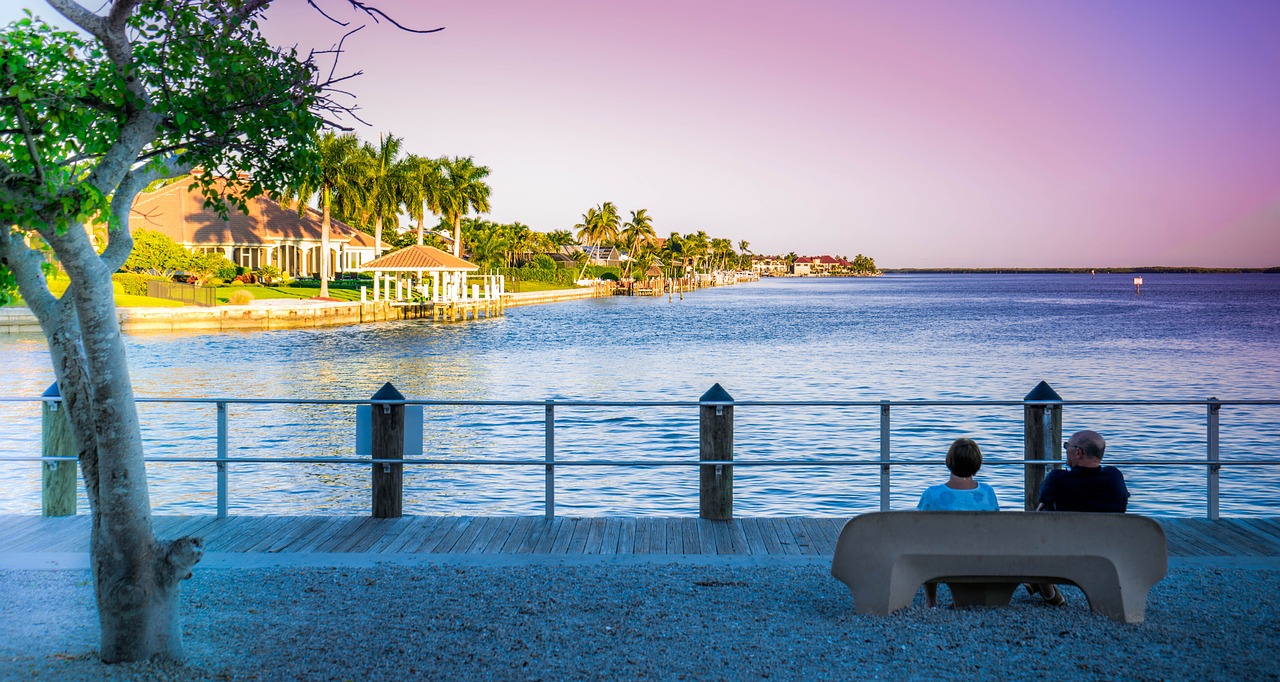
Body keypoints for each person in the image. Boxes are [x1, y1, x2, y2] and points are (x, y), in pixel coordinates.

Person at [1029, 429, 1131, 605]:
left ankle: (1049, 592)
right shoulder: (1115, 477)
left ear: (1078, 452)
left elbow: (1039, 510)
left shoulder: (1056, 479)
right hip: (1107, 554)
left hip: (1060, 554)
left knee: (1034, 528)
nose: (1065, 450)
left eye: (1066, 446)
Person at [916, 437, 1000, 607]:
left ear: (950, 461)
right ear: (977, 463)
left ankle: (931, 600)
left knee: (925, 541)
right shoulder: (987, 492)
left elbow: (919, 527)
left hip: (939, 557)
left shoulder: (932, 494)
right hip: (980, 554)